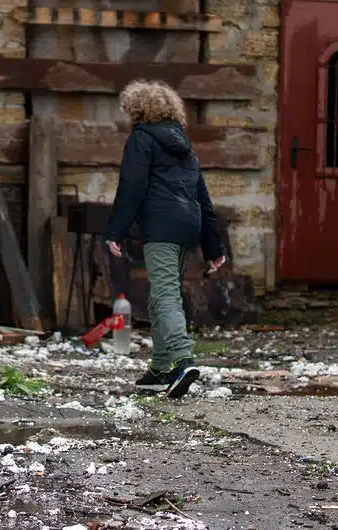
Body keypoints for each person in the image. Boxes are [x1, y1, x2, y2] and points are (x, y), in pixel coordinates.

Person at [104, 80, 226, 398]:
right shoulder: (184, 145)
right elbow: (202, 195)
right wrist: (213, 246)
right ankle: (160, 369)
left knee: (166, 294)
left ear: (138, 110)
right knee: (160, 297)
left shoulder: (141, 139)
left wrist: (115, 231)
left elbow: (132, 185)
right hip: (188, 227)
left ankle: (183, 360)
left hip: (161, 227)